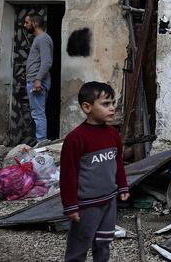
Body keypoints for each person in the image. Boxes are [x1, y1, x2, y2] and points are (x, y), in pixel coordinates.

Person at [60, 82, 129, 262]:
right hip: (86, 205)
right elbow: (68, 174)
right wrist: (71, 205)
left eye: (113, 103)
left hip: (109, 201)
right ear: (87, 107)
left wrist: (122, 187)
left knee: (104, 242)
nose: (112, 108)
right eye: (106, 104)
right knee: (79, 245)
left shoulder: (113, 134)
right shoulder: (76, 139)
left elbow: (118, 163)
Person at [23, 14, 53, 144]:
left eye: (27, 22)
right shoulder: (40, 39)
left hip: (37, 81)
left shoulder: (42, 39)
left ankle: (41, 145)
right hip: (35, 80)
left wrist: (38, 79)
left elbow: (47, 61)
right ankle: (40, 143)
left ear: (34, 23)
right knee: (37, 114)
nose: (25, 25)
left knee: (38, 114)